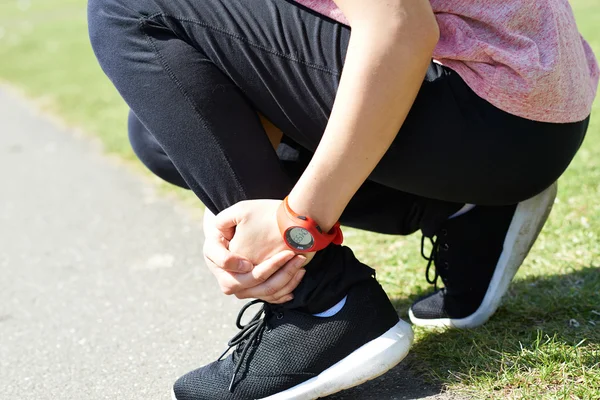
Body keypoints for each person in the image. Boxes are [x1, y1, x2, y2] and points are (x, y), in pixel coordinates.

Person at [87, 0, 598, 398]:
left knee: (128, 7)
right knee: (162, 133)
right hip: (524, 109)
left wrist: (295, 228)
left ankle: (326, 305)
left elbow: (399, 29)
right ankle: (464, 209)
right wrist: (229, 216)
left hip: (492, 105)